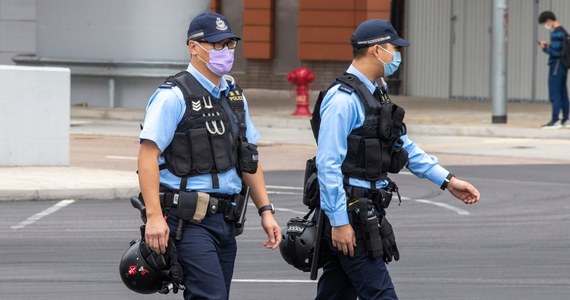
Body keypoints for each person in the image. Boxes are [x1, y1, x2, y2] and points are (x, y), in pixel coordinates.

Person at [313, 19, 480, 300]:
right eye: (394, 48)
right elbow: (327, 165)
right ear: (377, 51)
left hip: (365, 209)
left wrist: (446, 180)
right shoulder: (343, 100)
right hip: (350, 213)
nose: (398, 55)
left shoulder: (375, 93)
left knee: (335, 295)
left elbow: (402, 145)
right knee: (381, 295)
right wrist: (339, 222)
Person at [137, 12, 281, 299]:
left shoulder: (233, 96)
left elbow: (249, 158)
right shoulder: (173, 96)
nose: (225, 51)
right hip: (189, 222)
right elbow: (147, 156)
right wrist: (154, 217)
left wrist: (266, 211)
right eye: (216, 45)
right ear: (193, 47)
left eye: (229, 44)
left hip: (226, 221)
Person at [538, 11, 570, 129]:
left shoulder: (555, 33)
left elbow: (556, 52)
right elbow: (560, 48)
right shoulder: (563, 31)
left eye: (545, 23)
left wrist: (544, 49)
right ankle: (566, 119)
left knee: (554, 93)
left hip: (556, 66)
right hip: (563, 66)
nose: (546, 26)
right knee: (563, 93)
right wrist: (549, 45)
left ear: (548, 21)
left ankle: (555, 120)